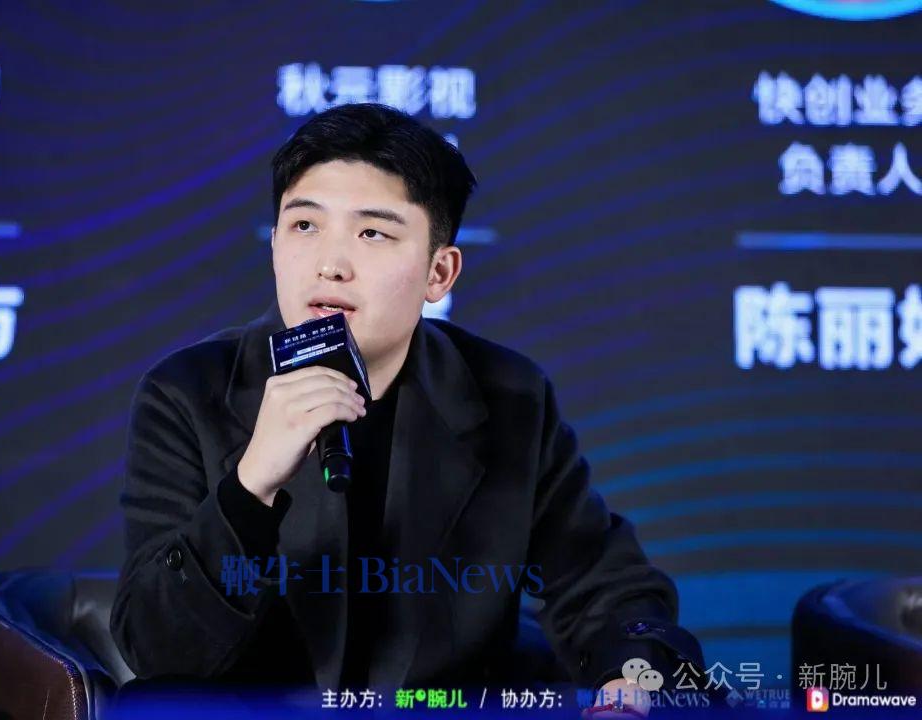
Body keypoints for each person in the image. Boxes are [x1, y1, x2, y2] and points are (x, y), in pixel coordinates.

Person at [110, 103, 706, 713]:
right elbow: (159, 651)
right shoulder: (188, 392)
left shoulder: (509, 396)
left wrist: (631, 682)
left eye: (372, 233)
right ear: (275, 246)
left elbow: (606, 589)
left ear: (439, 273)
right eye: (305, 226)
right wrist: (250, 486)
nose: (330, 264)